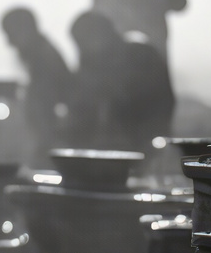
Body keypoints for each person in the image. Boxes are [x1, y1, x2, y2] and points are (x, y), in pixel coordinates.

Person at [66, 11, 173, 150]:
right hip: (105, 148)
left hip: (143, 142)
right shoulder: (90, 69)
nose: (84, 48)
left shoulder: (141, 56)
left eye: (86, 40)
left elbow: (162, 103)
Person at [0, 6, 74, 156]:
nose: (9, 42)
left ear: (24, 29)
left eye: (11, 34)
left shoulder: (45, 60)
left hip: (48, 140)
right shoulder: (41, 57)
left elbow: (44, 107)